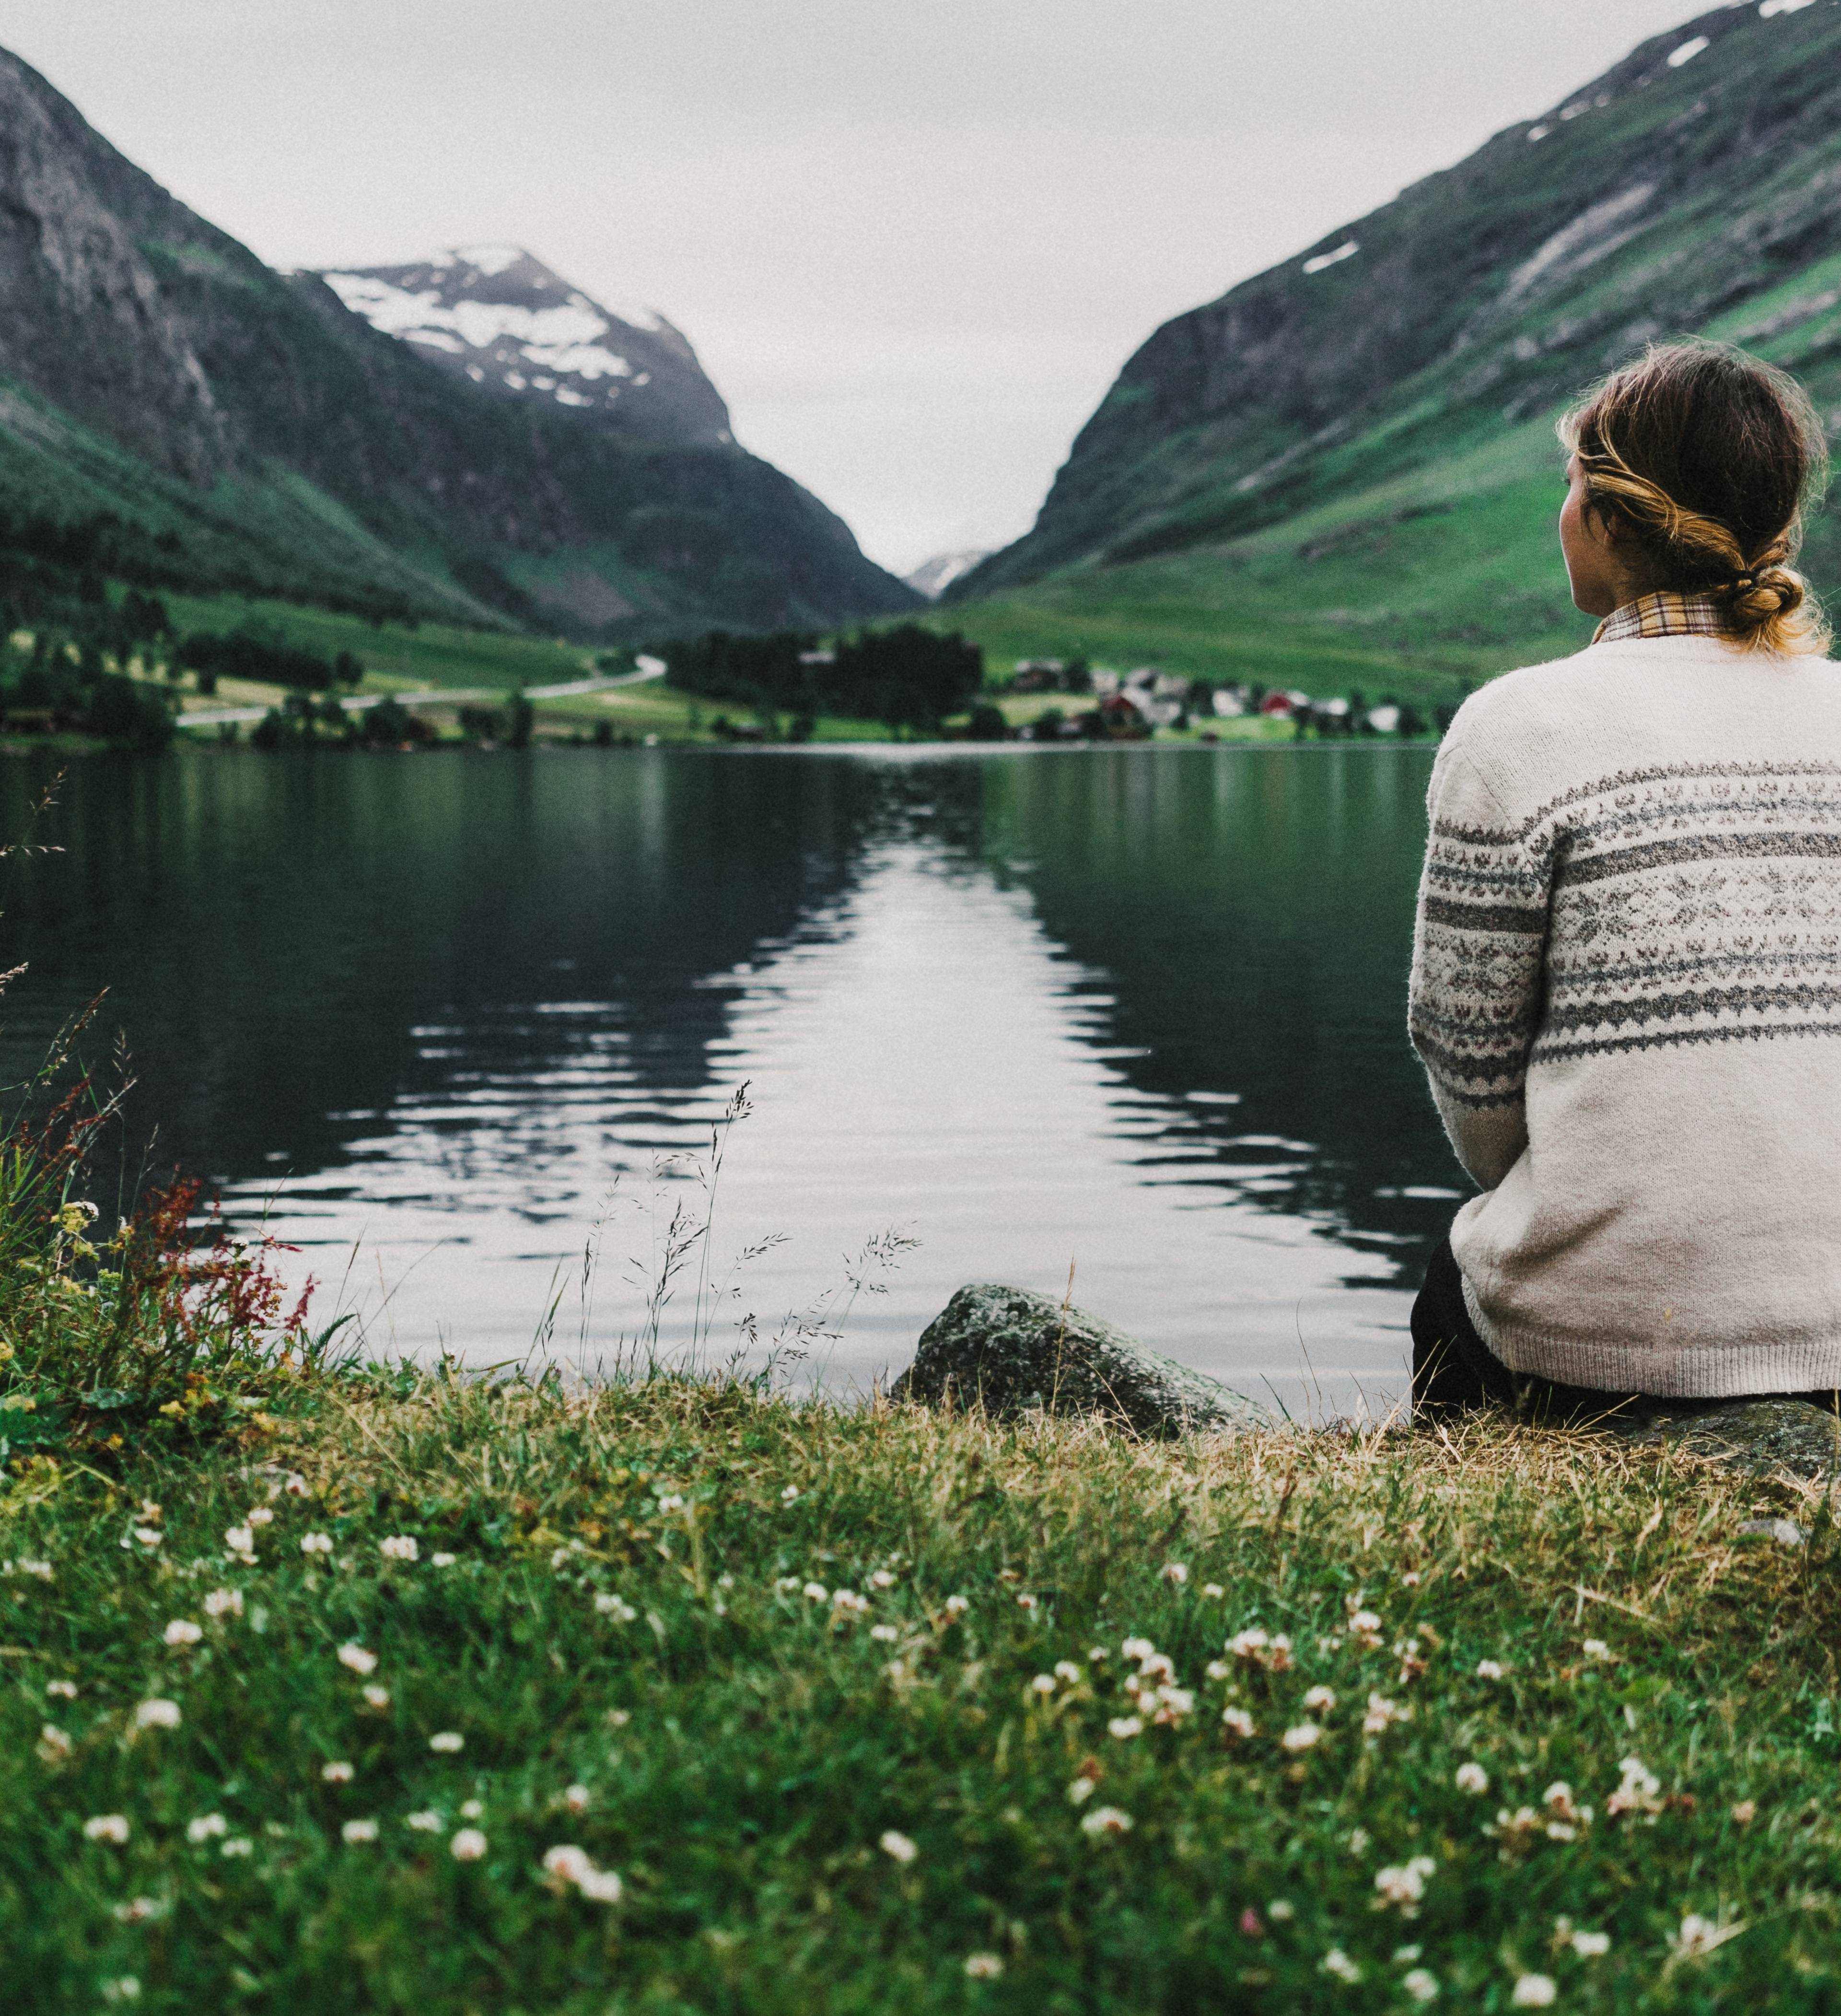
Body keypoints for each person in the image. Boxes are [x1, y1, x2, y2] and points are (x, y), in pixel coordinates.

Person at [1408, 340, 1841, 1420]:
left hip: (1594, 1342)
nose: (1562, 512)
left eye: (1570, 483)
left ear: (1611, 512)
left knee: (1446, 1290)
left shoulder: (1517, 726)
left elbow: (1477, 1094)